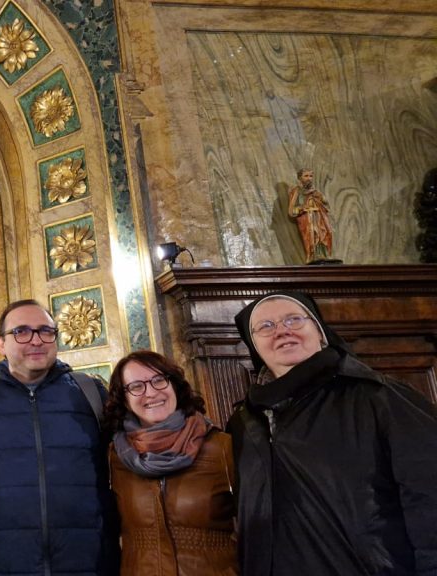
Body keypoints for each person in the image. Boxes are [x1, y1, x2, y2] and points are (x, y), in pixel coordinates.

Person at [227, 290, 437, 575]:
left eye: (294, 319)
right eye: (265, 326)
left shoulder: (380, 396)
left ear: (319, 331)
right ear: (254, 345)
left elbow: (428, 495)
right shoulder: (245, 421)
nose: (282, 331)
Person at [0, 299, 119, 576]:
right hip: (5, 566)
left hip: (87, 563)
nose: (36, 340)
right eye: (21, 332)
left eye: (46, 331)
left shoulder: (90, 393)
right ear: (1, 343)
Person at [106, 350, 237, 576]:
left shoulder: (222, 447)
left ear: (174, 385)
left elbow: (259, 527)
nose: (151, 392)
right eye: (136, 386)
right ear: (124, 400)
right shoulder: (113, 457)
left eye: (159, 380)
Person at [287, 168, 335, 262]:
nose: (309, 178)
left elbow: (326, 205)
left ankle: (324, 254)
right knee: (311, 235)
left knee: (326, 233)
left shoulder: (315, 191)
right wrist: (302, 208)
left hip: (320, 217)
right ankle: (312, 256)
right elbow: (291, 210)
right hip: (306, 219)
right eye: (306, 176)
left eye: (311, 176)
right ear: (300, 178)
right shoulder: (297, 191)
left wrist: (321, 198)